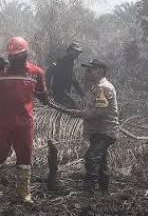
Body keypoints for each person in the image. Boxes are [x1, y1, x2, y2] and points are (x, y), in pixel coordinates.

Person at [0, 37, 49, 204]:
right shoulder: (1, 71)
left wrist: (45, 96)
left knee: (25, 158)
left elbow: (43, 95)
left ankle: (24, 192)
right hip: (3, 122)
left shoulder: (36, 72)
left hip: (25, 123)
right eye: (11, 56)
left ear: (25, 55)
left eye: (16, 56)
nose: (13, 59)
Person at [64, 59, 119, 194]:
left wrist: (79, 114)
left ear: (100, 71)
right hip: (99, 131)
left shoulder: (103, 88)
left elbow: (98, 111)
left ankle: (89, 191)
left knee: (92, 158)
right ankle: (104, 191)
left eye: (90, 70)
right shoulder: (97, 87)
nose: (87, 73)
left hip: (103, 131)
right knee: (101, 161)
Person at [46, 42, 85, 109]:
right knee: (74, 107)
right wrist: (49, 88)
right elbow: (49, 72)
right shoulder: (62, 60)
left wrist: (82, 95)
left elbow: (74, 80)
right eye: (75, 51)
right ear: (69, 51)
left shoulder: (71, 63)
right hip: (58, 92)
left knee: (76, 106)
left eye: (78, 53)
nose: (76, 54)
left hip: (65, 92)